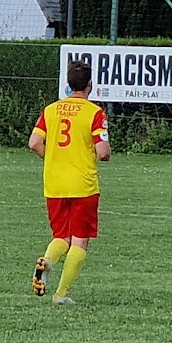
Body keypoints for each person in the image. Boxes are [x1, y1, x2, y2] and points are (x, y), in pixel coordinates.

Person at [29, 59, 111, 304]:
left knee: (61, 236)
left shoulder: (51, 110)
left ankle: (47, 262)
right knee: (79, 240)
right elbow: (103, 151)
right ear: (90, 85)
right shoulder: (94, 113)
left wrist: (52, 159)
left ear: (68, 84)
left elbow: (34, 142)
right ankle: (61, 295)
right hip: (82, 185)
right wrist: (103, 155)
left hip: (54, 183)